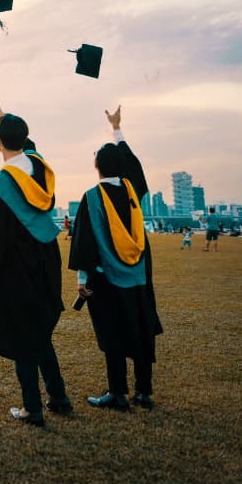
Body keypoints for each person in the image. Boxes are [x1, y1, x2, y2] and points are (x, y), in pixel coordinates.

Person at [0, 102, 70, 427]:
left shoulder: (3, 184)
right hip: (48, 257)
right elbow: (29, 148)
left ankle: (32, 408)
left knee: (22, 336)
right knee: (40, 333)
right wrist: (3, 117)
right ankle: (58, 397)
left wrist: (0, 257)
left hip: (18, 266)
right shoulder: (41, 169)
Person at [68, 106, 163, 412]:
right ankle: (144, 392)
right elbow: (135, 168)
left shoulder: (92, 197)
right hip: (138, 276)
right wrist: (117, 129)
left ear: (96, 165)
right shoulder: (133, 191)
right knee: (141, 328)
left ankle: (118, 393)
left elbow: (84, 242)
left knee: (112, 332)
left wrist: (82, 280)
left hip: (106, 277)